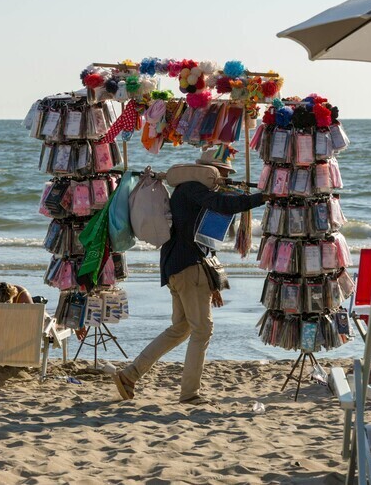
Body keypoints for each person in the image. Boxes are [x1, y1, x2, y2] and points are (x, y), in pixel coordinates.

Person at [113, 149, 267, 405]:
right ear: (210, 171)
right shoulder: (194, 189)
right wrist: (263, 197)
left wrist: (213, 284)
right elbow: (225, 205)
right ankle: (189, 394)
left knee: (181, 328)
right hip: (188, 268)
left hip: (179, 267)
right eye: (224, 173)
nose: (225, 179)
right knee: (202, 330)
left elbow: (204, 240)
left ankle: (130, 375)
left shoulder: (187, 191)